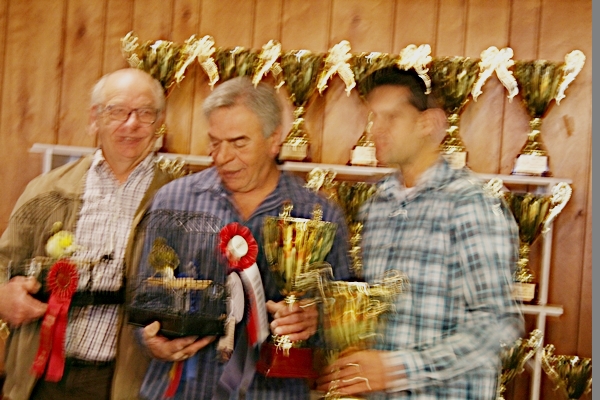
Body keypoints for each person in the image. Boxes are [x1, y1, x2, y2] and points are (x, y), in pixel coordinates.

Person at [136, 76, 352, 399]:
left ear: (274, 140)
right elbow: (145, 298)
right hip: (184, 389)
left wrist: (314, 320)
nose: (222, 157)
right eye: (214, 142)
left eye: (239, 143)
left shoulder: (320, 215)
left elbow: (343, 318)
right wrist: (150, 338)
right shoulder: (172, 200)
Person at [316, 67, 524, 399]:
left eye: (391, 117)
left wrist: (398, 369)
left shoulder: (471, 204)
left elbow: (497, 325)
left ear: (428, 123)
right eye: (373, 117)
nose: (375, 129)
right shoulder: (377, 204)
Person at [0, 67, 183, 400]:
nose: (131, 124)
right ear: (94, 119)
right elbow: (4, 263)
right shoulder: (45, 190)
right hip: (39, 377)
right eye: (117, 111)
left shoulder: (179, 200)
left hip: (126, 384)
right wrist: (2, 296)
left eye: (145, 113)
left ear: (159, 122)